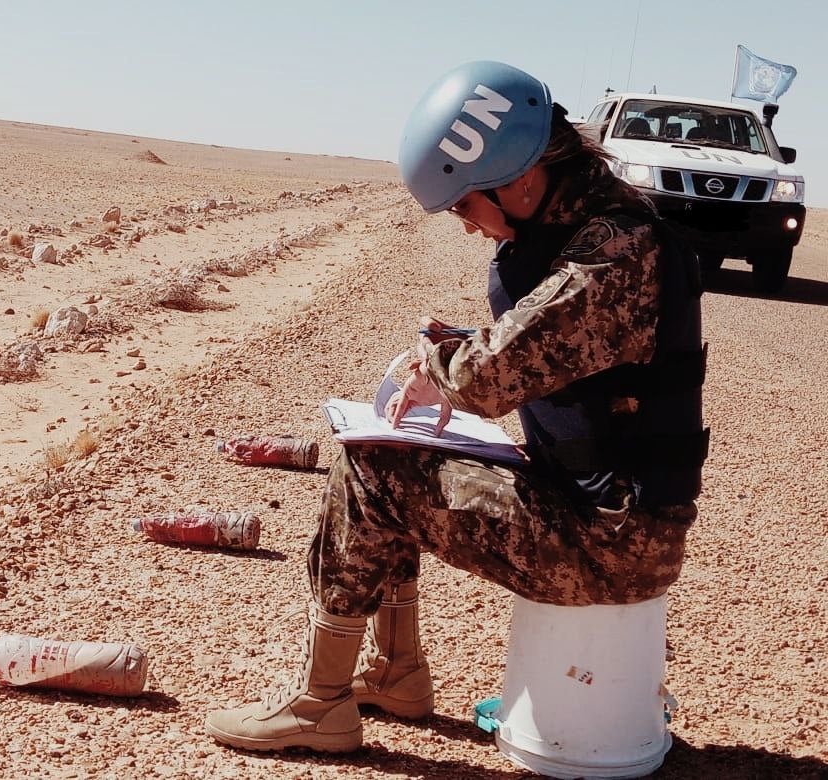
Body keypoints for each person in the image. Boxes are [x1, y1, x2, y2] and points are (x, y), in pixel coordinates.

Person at [205, 60, 708, 754]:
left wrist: (444, 368)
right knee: (401, 453)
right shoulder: (596, 230)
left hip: (612, 544)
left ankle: (321, 704)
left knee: (372, 469)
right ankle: (397, 673)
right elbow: (551, 347)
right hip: (606, 517)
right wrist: (452, 349)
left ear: (522, 180)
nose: (469, 227)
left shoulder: (618, 250)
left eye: (468, 204)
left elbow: (496, 371)